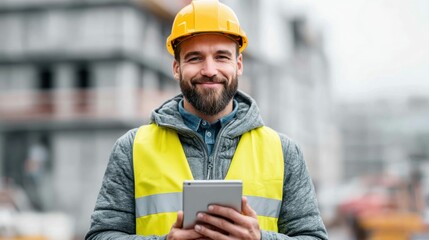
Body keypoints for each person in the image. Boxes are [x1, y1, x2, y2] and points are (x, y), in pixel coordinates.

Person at [86, 0, 328, 239]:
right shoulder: (132, 148)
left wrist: (261, 239)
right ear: (176, 67)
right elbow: (101, 235)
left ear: (239, 64)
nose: (210, 69)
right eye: (194, 58)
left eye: (222, 57)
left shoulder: (284, 153)